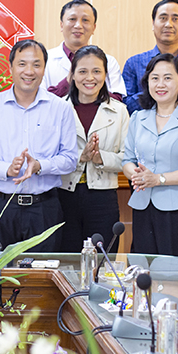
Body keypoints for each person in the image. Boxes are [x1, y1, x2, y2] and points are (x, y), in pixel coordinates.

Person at [0, 40, 78, 252]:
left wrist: (39, 166)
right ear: (10, 67)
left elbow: (70, 159)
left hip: (45, 209)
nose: (29, 71)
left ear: (44, 69)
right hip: (0, 207)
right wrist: (6, 169)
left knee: (43, 270)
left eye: (36, 64)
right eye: (22, 64)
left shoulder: (61, 109)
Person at [121, 53, 178, 257]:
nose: (160, 84)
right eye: (155, 78)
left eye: (167, 78)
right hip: (142, 205)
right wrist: (137, 175)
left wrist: (158, 179)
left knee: (175, 271)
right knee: (142, 268)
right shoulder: (138, 118)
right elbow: (127, 161)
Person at [57, 45, 129, 252]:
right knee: (66, 259)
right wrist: (80, 157)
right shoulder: (58, 108)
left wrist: (100, 158)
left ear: (105, 74)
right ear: (72, 75)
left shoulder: (120, 111)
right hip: (64, 194)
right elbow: (47, 155)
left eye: (97, 71)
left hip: (103, 197)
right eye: (82, 71)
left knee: (102, 259)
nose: (90, 78)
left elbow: (128, 159)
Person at [41, 0, 123, 98]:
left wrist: (91, 90)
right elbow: (41, 99)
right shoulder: (44, 59)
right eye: (72, 19)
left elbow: (117, 99)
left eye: (85, 20)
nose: (78, 26)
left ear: (93, 28)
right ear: (61, 25)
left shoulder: (109, 61)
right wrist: (69, 80)